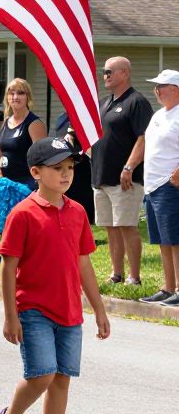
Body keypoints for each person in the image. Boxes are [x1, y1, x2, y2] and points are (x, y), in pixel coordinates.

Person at [0, 136, 110, 414]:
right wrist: (10, 315)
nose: (66, 174)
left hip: (70, 311)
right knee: (41, 374)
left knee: (61, 380)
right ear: (36, 172)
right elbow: (8, 267)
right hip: (33, 309)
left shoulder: (76, 212)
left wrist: (99, 309)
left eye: (70, 168)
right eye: (57, 168)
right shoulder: (23, 214)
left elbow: (84, 265)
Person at [90, 56, 154, 285]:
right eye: (104, 72)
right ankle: (116, 274)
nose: (105, 76)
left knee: (127, 227)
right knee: (111, 228)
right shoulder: (104, 103)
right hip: (102, 177)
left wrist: (129, 166)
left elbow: (144, 137)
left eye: (109, 71)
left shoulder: (137, 101)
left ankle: (134, 277)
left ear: (124, 73)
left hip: (125, 178)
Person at [139, 70, 179, 306]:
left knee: (175, 239)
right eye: (156, 86)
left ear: (175, 89)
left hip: (170, 185)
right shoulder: (158, 116)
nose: (157, 90)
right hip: (153, 185)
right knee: (163, 239)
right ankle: (168, 287)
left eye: (161, 86)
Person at [0, 78, 46, 191]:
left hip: (26, 187)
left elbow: (41, 158)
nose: (15, 97)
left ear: (28, 97)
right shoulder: (6, 122)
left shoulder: (34, 123)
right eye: (11, 93)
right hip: (4, 186)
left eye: (20, 93)